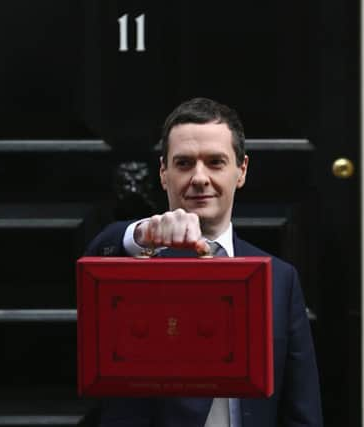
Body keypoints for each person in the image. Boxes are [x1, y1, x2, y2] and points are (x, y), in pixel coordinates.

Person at [85, 97, 323, 427]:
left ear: (241, 171)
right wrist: (144, 233)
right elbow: (94, 260)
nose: (199, 177)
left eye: (215, 162)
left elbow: (302, 408)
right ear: (164, 173)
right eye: (183, 164)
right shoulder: (135, 260)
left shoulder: (281, 278)